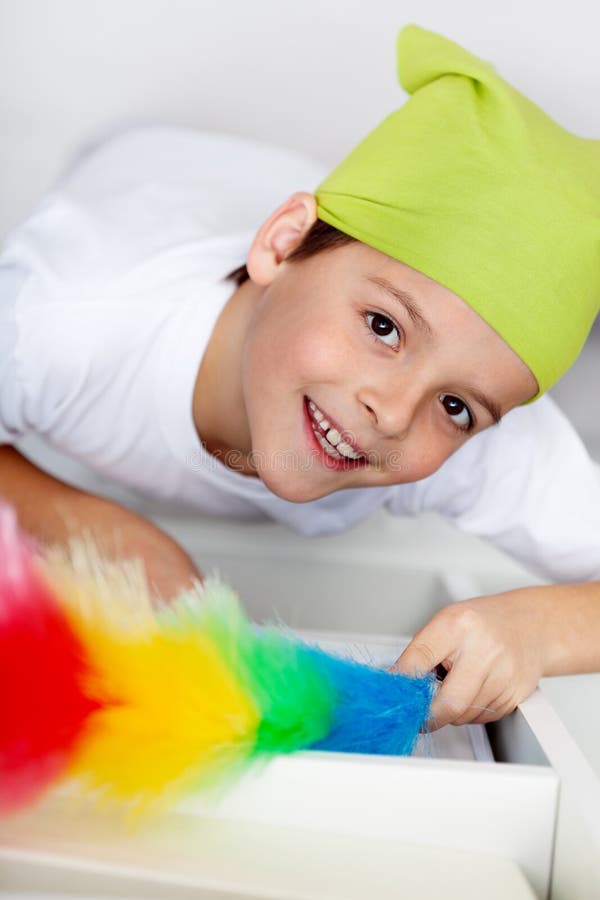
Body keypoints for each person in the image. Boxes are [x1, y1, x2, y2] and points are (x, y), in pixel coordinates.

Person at [1, 24, 599, 732]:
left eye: (456, 405)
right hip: (145, 159)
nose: (394, 413)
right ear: (281, 244)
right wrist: (95, 529)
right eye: (384, 327)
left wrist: (543, 625)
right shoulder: (66, 315)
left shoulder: (478, 445)